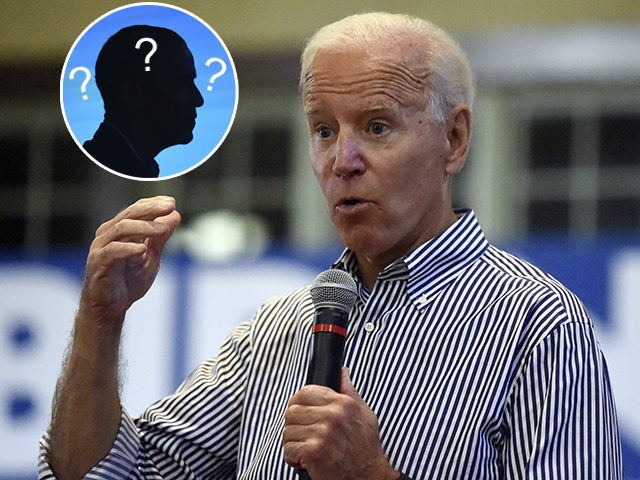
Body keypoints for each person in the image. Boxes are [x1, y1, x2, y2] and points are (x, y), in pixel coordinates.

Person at [40, 12, 622, 479]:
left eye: (376, 126)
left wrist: (367, 474)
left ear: (455, 139)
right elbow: (115, 472)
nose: (342, 162)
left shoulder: (540, 324)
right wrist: (100, 318)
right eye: (323, 130)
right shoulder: (276, 330)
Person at [82, 25, 204, 178]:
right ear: (134, 92)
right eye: (182, 84)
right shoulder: (95, 168)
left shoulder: (129, 164)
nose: (198, 100)